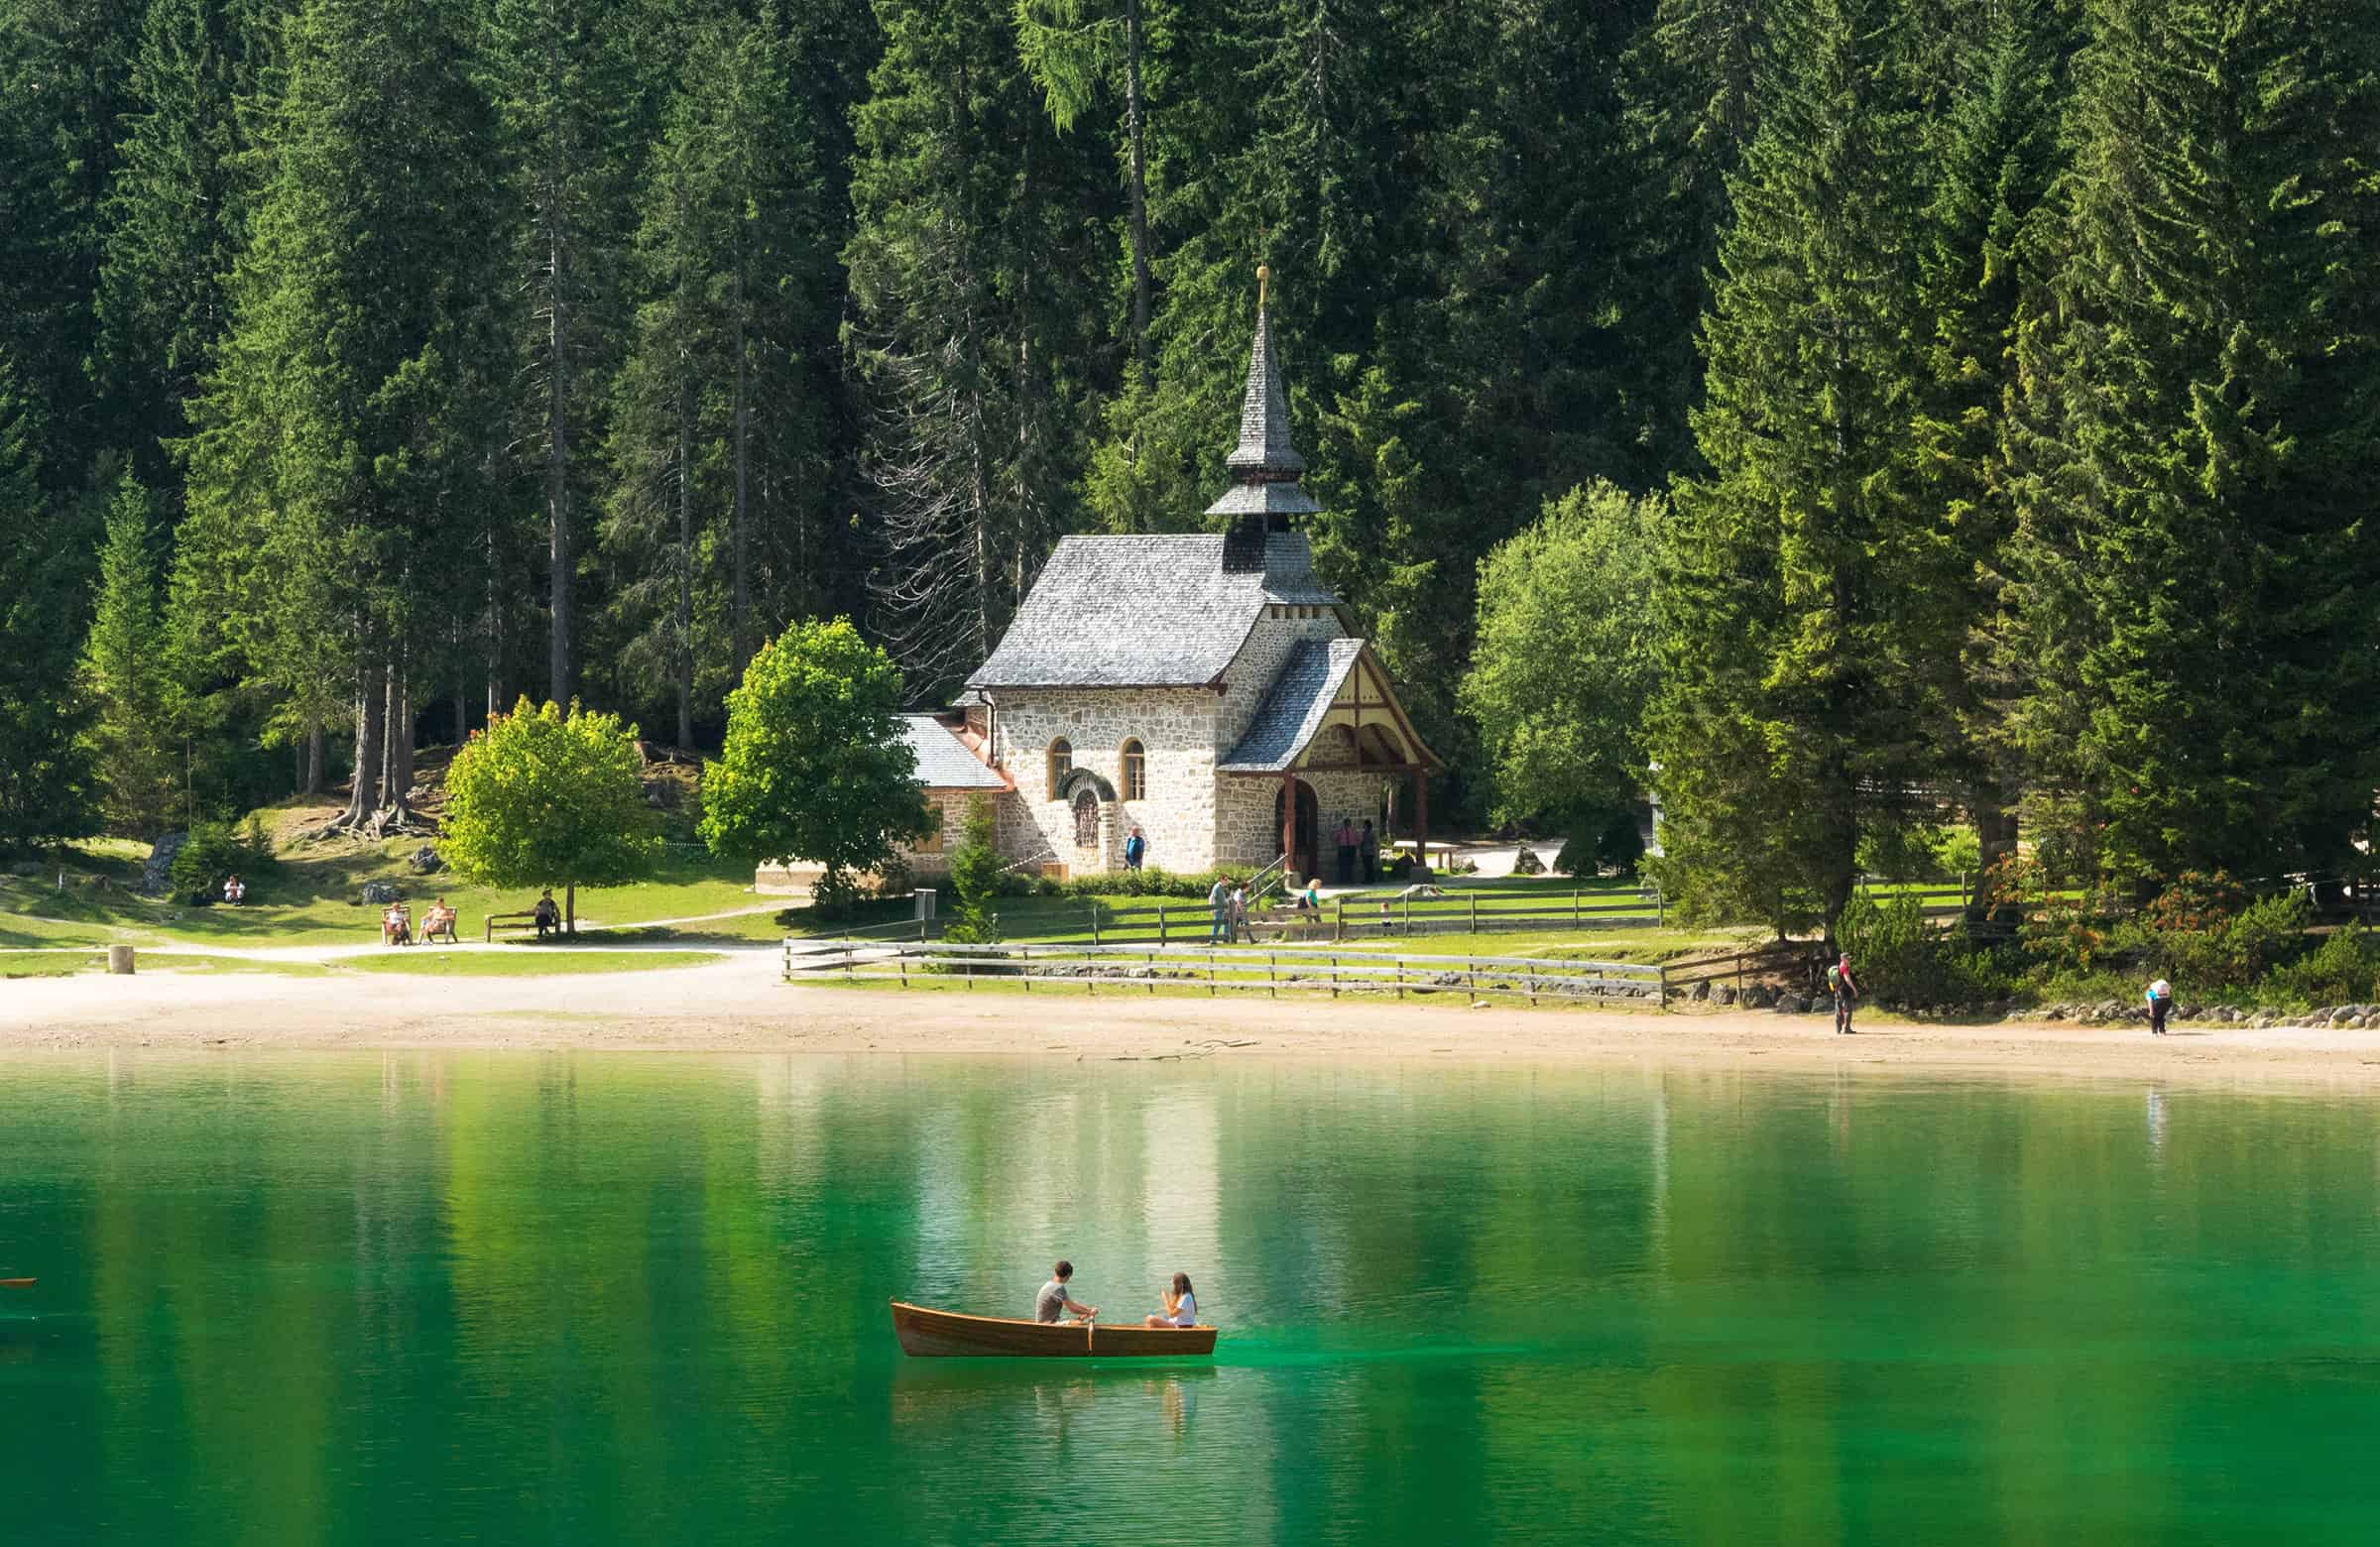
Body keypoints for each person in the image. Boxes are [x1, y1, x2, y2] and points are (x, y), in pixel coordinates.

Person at [1036, 1260, 1097, 1324]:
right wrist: (1089, 1312)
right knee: (1079, 1323)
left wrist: (1089, 1310)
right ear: (1068, 1275)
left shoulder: (1050, 1283)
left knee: (1083, 1316)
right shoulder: (1058, 1287)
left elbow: (1072, 1304)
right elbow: (1072, 1309)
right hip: (1048, 1323)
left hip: (1047, 1321)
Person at [1828, 952, 1858, 1034]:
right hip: (1845, 991)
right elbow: (1847, 979)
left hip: (1838, 991)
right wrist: (1854, 989)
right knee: (1847, 1009)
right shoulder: (1844, 967)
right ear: (1843, 959)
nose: (1849, 960)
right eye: (1848, 958)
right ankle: (1847, 1028)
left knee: (1838, 1009)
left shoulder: (1838, 967)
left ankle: (1838, 1028)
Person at [1335, 817, 1359, 885]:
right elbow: (1335, 837)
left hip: (1348, 848)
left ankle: (1348, 879)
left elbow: (1359, 838)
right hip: (1346, 848)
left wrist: (1355, 844)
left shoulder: (1352, 830)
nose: (1348, 824)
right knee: (1345, 864)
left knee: (1348, 864)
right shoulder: (1343, 830)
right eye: (1347, 823)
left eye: (1348, 823)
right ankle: (1344, 879)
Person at [1208, 876, 1232, 944]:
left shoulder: (1221, 888)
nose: (1227, 881)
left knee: (1226, 923)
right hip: (1218, 909)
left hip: (1223, 909)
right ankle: (1213, 940)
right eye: (1226, 880)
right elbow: (1211, 897)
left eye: (1227, 880)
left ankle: (1225, 939)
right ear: (1221, 880)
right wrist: (1211, 909)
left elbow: (1222, 899)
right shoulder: (1217, 887)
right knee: (1217, 925)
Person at [1359, 819, 1378, 884]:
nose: (1363, 826)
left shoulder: (1369, 833)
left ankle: (1370, 879)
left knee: (1369, 866)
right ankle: (1369, 879)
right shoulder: (1366, 833)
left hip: (1368, 852)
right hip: (1366, 851)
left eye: (1364, 825)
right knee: (1367, 866)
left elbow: (1373, 842)